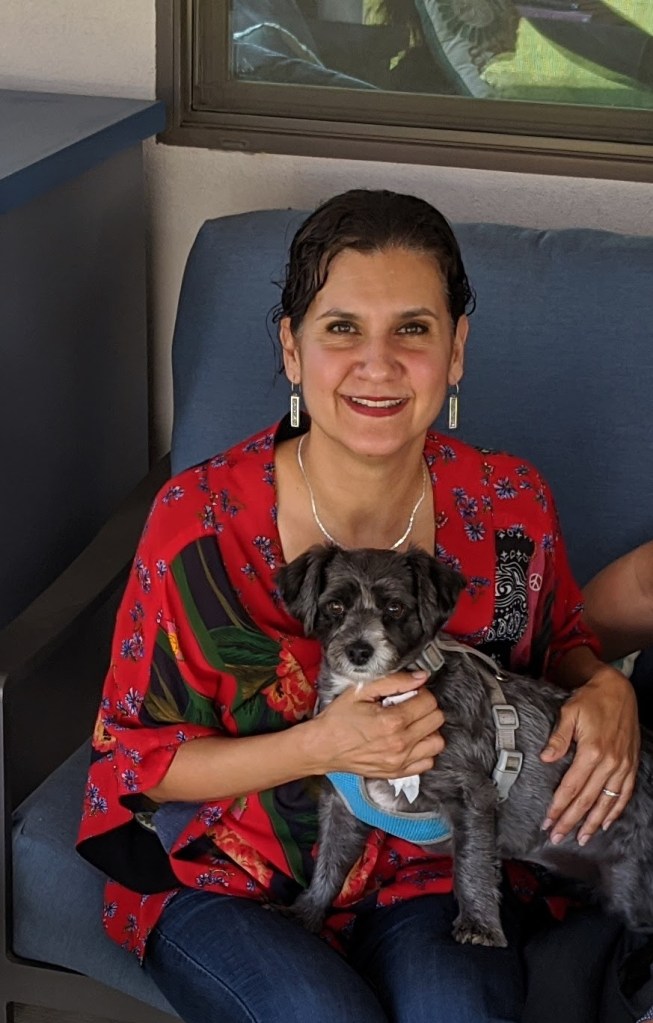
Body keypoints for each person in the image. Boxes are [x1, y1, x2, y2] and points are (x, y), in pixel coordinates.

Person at [77, 189, 640, 1023]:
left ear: (454, 350)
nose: (377, 364)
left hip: (436, 867)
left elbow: (556, 642)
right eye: (341, 328)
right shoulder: (198, 524)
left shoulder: (508, 499)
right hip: (230, 872)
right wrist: (320, 745)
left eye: (412, 329)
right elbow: (139, 763)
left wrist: (604, 684)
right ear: (292, 349)